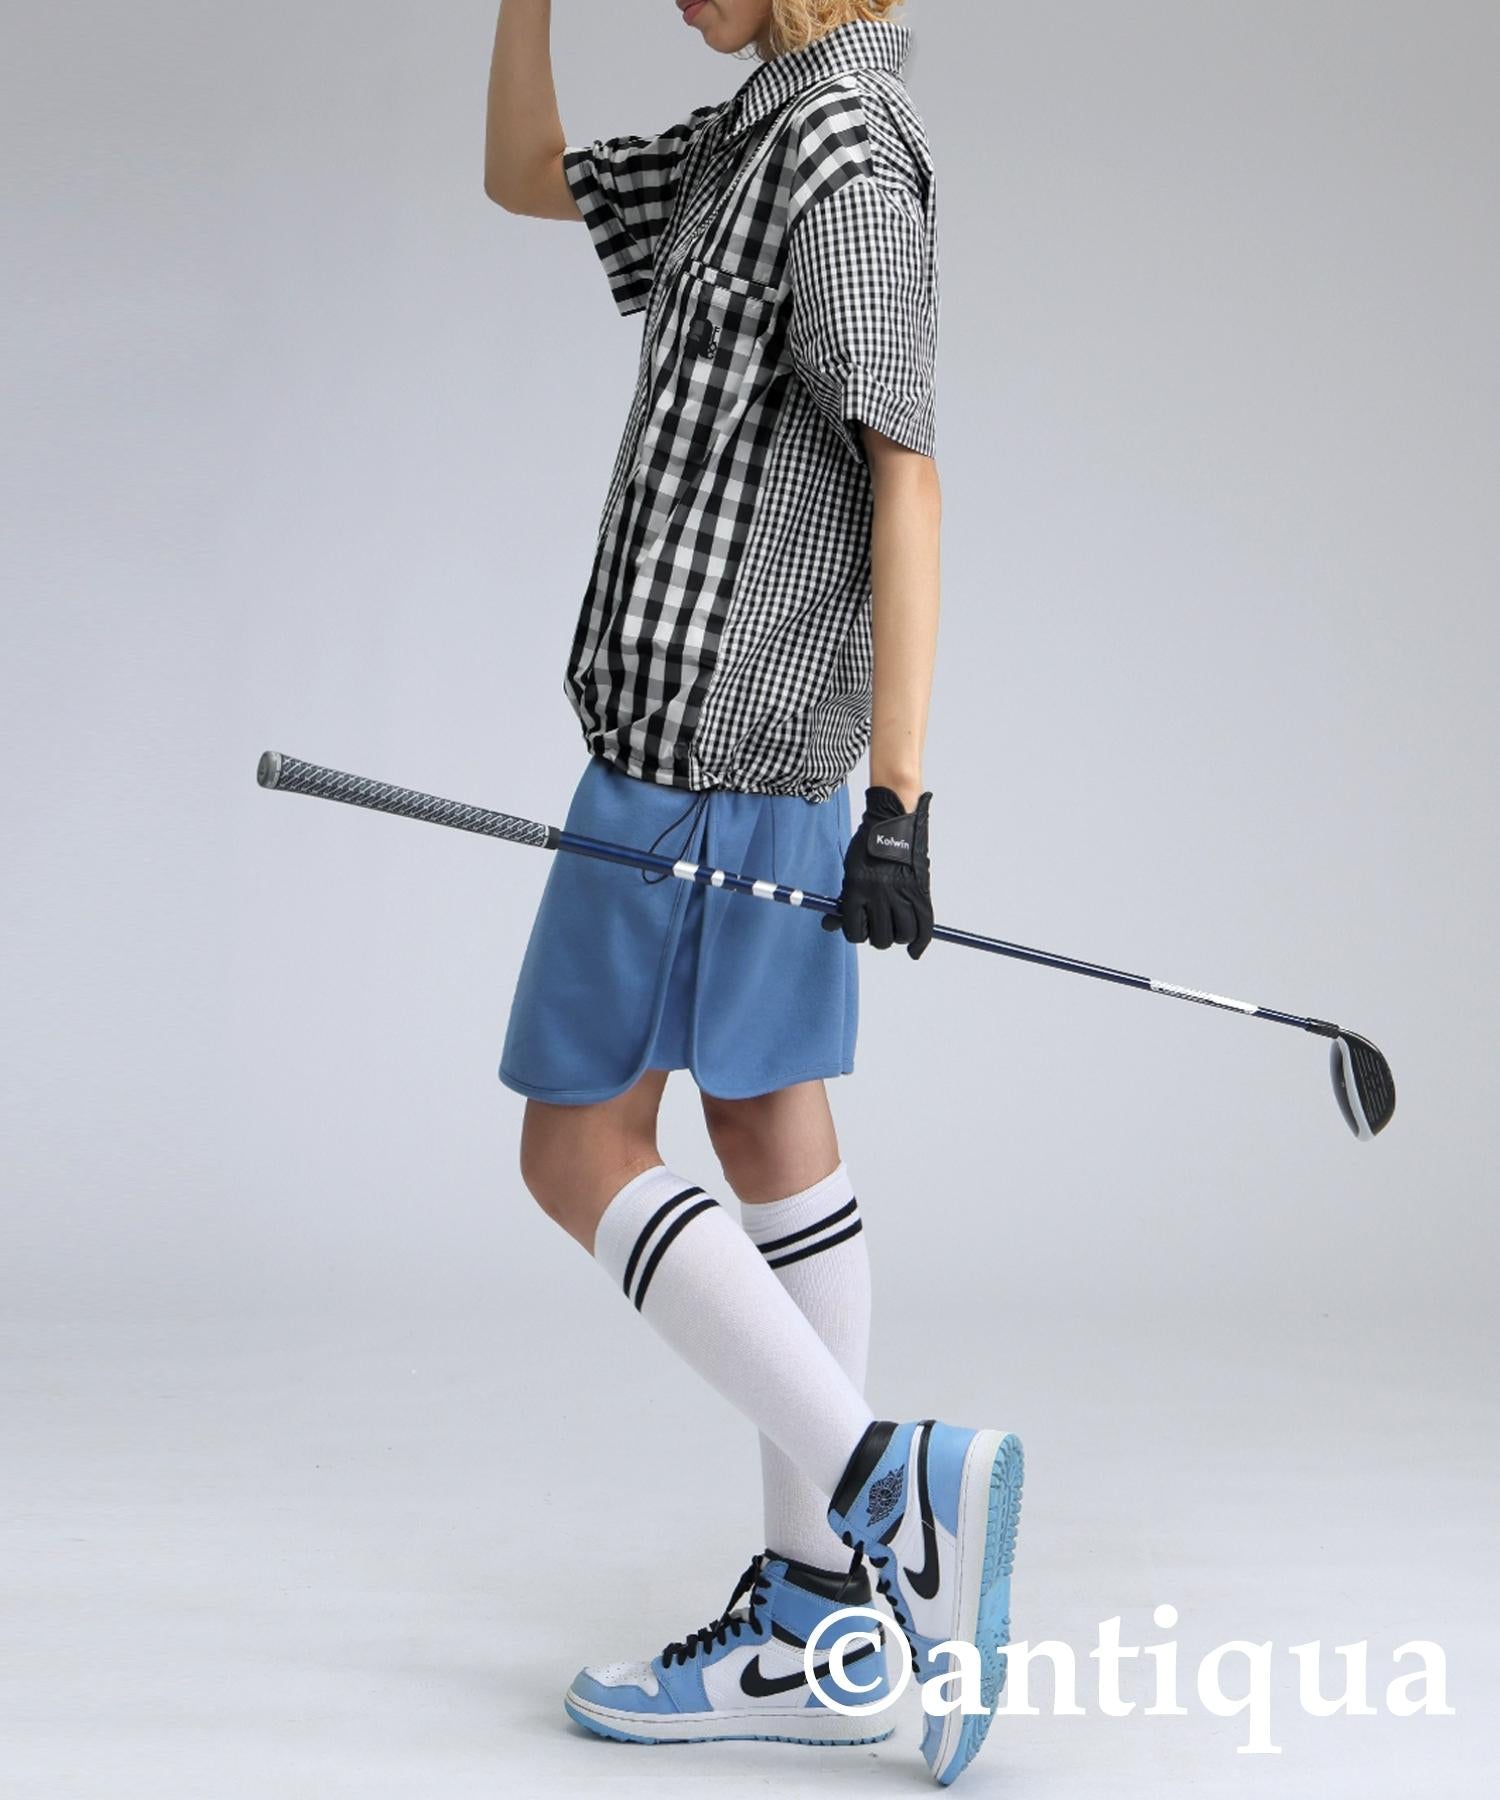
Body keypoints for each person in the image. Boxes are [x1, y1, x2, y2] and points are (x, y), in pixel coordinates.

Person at [485, 0, 1021, 1783]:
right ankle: (818, 1628)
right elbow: (521, 175)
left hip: (705, 763)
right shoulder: (752, 128)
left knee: (578, 1146)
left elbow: (905, 473)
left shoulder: (841, 155)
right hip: (723, 759)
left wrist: (900, 803)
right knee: (770, 1127)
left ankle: (888, 1493)